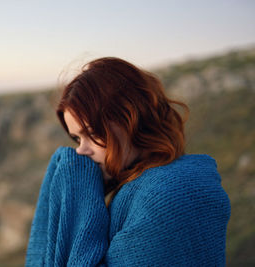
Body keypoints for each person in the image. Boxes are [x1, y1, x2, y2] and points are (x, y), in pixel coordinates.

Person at [25, 57, 231, 266]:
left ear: (131, 119)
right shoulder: (136, 189)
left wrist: (76, 193)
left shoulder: (167, 195)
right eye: (77, 138)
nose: (80, 151)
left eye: (93, 133)